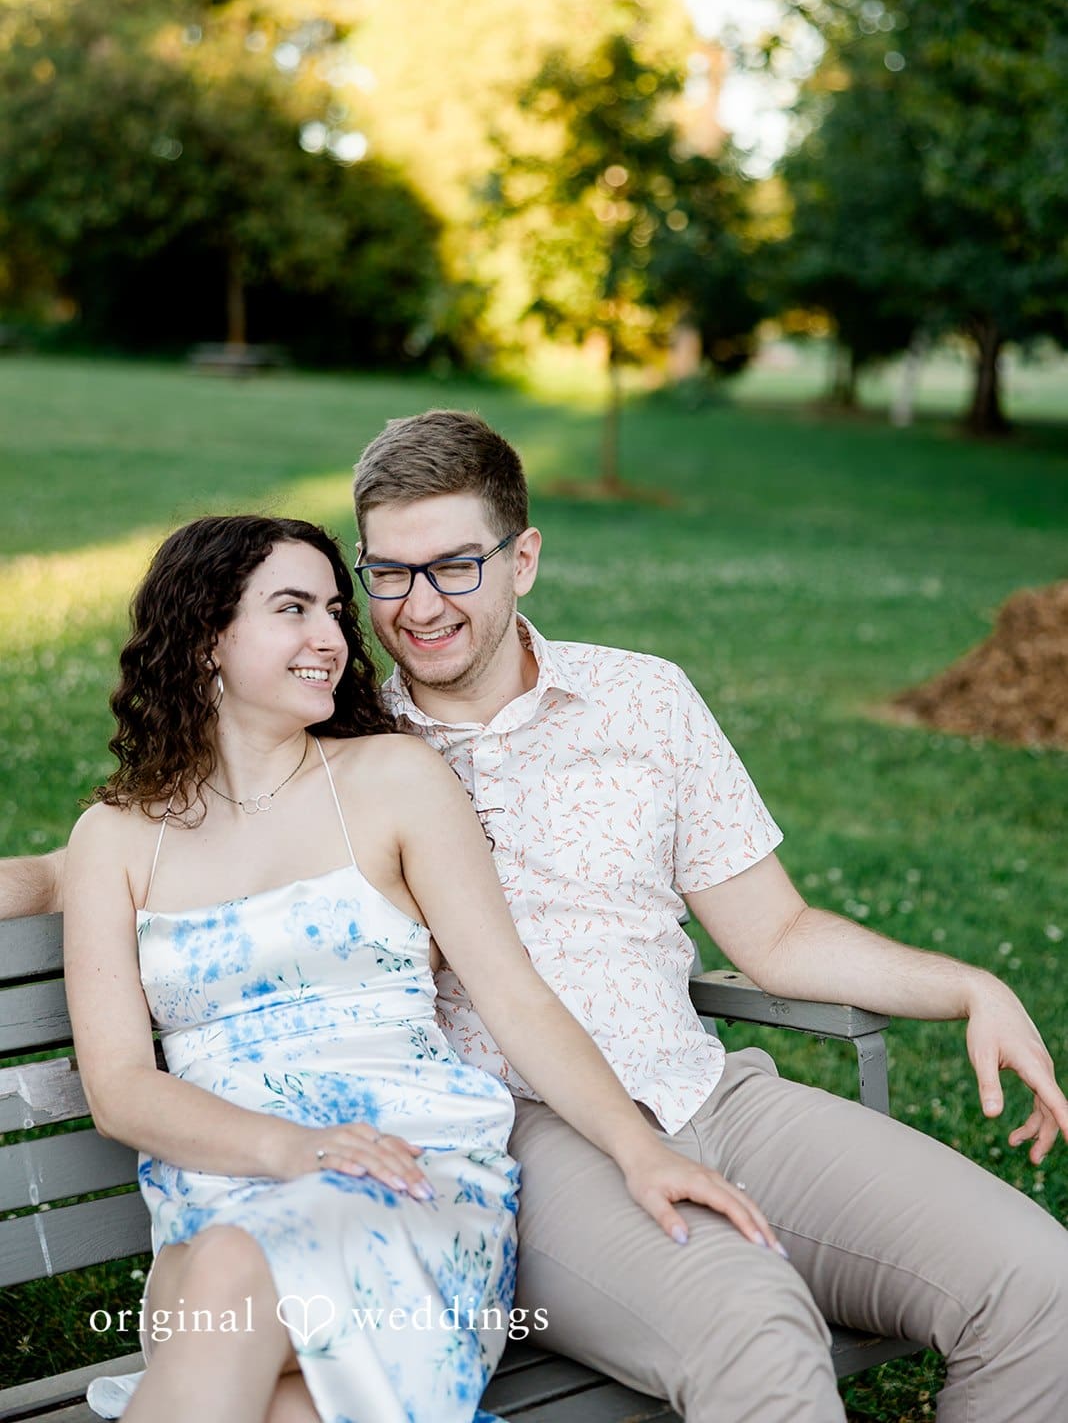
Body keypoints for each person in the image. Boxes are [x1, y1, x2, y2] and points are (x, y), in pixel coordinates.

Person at [6, 414, 1068, 1420]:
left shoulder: (639, 701)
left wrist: (967, 983)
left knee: (1037, 1280)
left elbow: (776, 934)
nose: (412, 608)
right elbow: (178, 844)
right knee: (752, 1323)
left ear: (523, 559)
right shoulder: (357, 744)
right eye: (384, 575)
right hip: (516, 1133)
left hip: (701, 1086)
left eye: (453, 566)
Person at [59, 513, 773, 1423]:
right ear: (205, 638)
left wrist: (638, 1150)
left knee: (236, 1287)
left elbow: (512, 995)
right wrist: (291, 1149)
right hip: (220, 1182)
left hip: (408, 1175)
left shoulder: (392, 780)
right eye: (291, 610)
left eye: (331, 609)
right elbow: (119, 1088)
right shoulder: (115, 839)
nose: (330, 637)